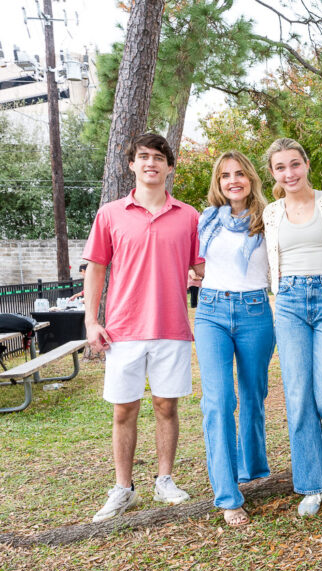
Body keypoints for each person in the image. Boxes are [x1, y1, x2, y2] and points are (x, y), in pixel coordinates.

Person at [83, 133, 203, 523]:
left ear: (169, 167)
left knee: (167, 406)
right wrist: (91, 321)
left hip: (172, 326)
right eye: (144, 156)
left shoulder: (189, 216)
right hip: (123, 329)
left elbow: (203, 266)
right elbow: (96, 268)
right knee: (123, 410)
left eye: (159, 158)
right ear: (132, 164)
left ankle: (164, 480)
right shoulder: (110, 214)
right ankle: (123, 489)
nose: (151, 163)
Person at [263, 138, 322, 516]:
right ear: (273, 173)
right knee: (299, 395)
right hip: (288, 302)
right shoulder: (271, 213)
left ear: (306, 164)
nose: (289, 173)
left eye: (294, 164)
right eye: (280, 167)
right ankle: (313, 483)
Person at [193, 151, 275, 527]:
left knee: (254, 394)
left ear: (251, 178)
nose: (233, 181)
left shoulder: (268, 218)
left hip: (255, 311)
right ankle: (228, 495)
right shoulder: (207, 219)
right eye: (225, 175)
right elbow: (196, 262)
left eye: (239, 173)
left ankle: (251, 467)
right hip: (211, 311)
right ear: (218, 182)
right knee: (219, 401)